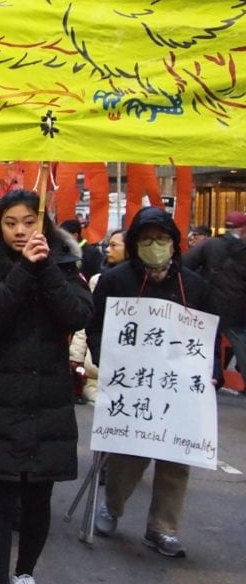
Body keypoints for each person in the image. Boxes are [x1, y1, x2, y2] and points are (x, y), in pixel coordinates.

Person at [0, 190, 92, 584]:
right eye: (10, 222)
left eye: (29, 221)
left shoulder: (66, 264)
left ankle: (25, 573)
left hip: (48, 399)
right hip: (0, 397)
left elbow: (78, 313)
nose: (19, 230)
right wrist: (23, 271)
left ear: (43, 222)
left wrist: (46, 267)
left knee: (38, 498)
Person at [90, 207, 221, 558]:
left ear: (174, 245)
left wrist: (214, 372)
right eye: (146, 240)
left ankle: (163, 528)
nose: (155, 246)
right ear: (134, 244)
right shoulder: (115, 280)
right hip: (133, 386)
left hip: (178, 389)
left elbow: (209, 336)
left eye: (162, 240)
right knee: (128, 454)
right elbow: (96, 326)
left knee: (176, 459)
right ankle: (112, 504)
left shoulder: (194, 286)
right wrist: (107, 358)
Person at [181, 211, 246, 386]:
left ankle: (206, 381)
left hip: (209, 304)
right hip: (239, 308)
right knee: (241, 346)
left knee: (205, 346)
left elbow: (184, 264)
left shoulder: (210, 245)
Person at [69, 229, 128, 405]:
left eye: (114, 245)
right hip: (99, 363)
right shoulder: (98, 280)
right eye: (107, 245)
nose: (108, 250)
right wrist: (76, 356)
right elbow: (88, 322)